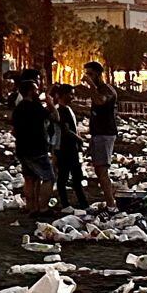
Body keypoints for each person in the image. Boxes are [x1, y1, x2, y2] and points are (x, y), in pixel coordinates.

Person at [12, 73, 54, 213]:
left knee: (30, 179)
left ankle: (31, 206)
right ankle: (43, 207)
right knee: (48, 177)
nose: (37, 92)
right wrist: (50, 102)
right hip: (37, 148)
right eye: (36, 89)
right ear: (30, 91)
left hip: (22, 148)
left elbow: (14, 129)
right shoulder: (35, 107)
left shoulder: (18, 108)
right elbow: (54, 116)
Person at [82, 61, 119, 206]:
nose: (88, 77)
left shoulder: (106, 89)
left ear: (98, 74)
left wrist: (91, 86)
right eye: (87, 74)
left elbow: (100, 101)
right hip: (98, 134)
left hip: (105, 133)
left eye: (90, 74)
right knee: (99, 169)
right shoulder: (99, 89)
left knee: (102, 170)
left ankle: (111, 203)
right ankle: (111, 198)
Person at [50, 84, 87, 206]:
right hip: (65, 148)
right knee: (65, 176)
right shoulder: (61, 110)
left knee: (75, 176)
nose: (73, 96)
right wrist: (79, 139)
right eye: (70, 94)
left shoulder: (66, 109)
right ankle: (67, 203)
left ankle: (81, 202)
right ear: (63, 95)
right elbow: (65, 130)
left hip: (70, 147)